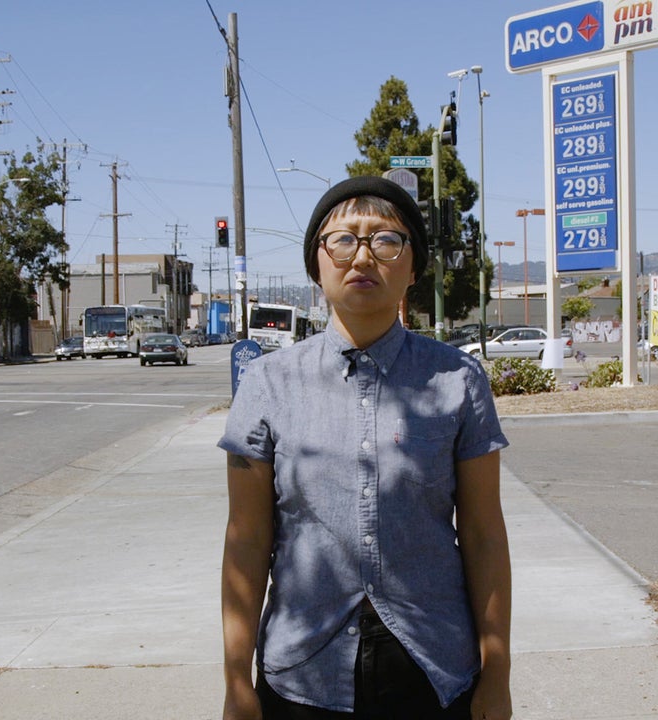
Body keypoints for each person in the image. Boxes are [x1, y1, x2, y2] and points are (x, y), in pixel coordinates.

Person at [219, 176, 512, 720]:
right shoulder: (268, 383)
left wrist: (498, 673)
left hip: (434, 668)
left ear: (413, 268)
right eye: (343, 240)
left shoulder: (458, 378)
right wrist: (236, 677)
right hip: (302, 673)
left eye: (385, 240)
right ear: (317, 263)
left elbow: (483, 534)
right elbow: (247, 538)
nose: (362, 256)